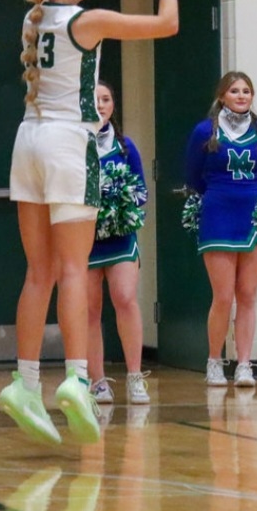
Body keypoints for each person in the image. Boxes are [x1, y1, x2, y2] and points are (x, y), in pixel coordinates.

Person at [1, 0, 178, 446]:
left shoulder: (36, 20)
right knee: (75, 269)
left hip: (28, 140)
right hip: (67, 145)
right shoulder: (89, 21)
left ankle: (25, 382)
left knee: (40, 273)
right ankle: (78, 378)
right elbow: (167, 24)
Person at [185, 72, 257, 389]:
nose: (241, 96)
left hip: (253, 212)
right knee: (223, 296)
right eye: (234, 91)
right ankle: (214, 362)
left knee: (247, 295)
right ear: (222, 96)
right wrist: (218, 194)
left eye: (246, 91)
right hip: (218, 212)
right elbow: (193, 176)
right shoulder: (204, 131)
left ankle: (244, 364)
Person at [85, 80, 150, 405]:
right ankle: (97, 381)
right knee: (89, 310)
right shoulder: (74, 145)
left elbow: (141, 192)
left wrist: (119, 205)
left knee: (125, 298)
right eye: (95, 99)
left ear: (113, 105)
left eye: (106, 99)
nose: (101, 105)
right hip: (84, 240)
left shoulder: (127, 147)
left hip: (121, 237)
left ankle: (135, 377)